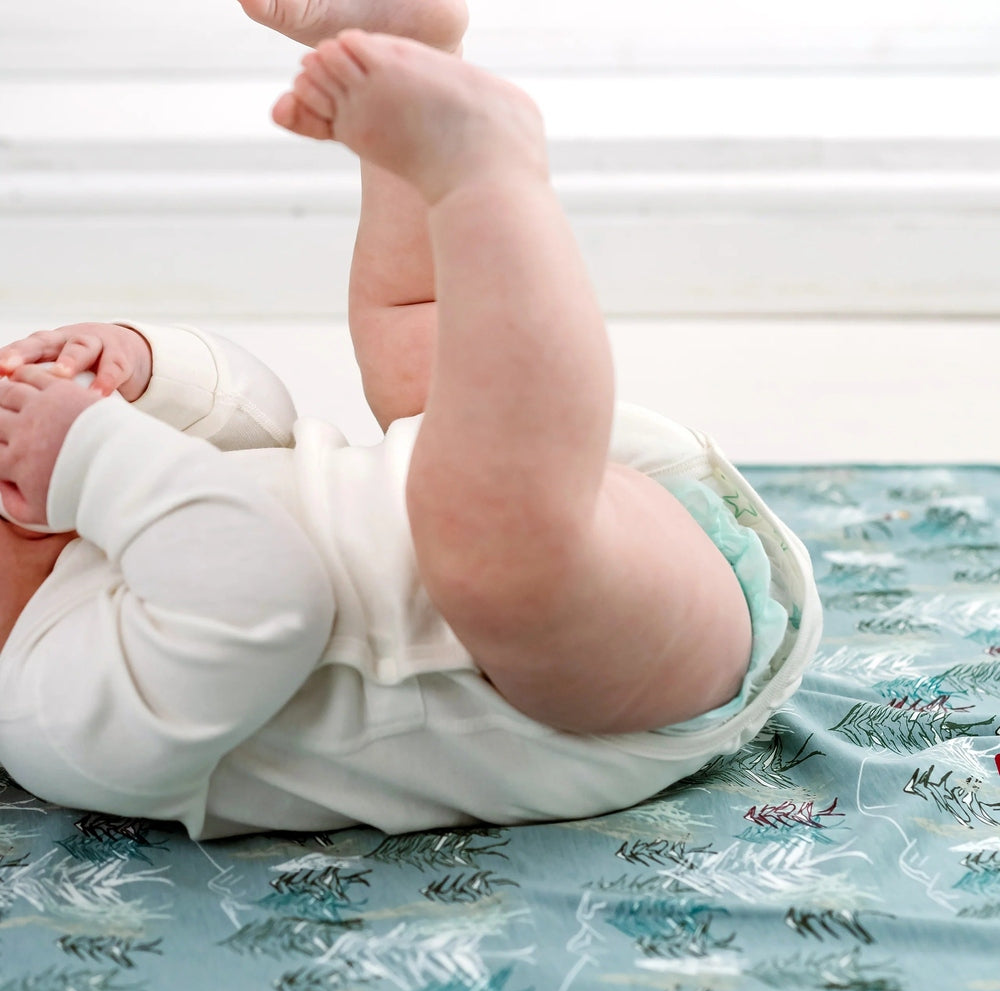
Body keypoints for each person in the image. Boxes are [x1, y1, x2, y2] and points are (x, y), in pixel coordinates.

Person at [0, 0, 821, 839]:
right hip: (593, 687)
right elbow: (263, 601)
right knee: (485, 548)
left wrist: (140, 373)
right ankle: (488, 177)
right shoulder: (49, 716)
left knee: (408, 342)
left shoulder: (85, 525)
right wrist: (89, 457)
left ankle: (415, 48)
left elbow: (256, 421)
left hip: (551, 475)